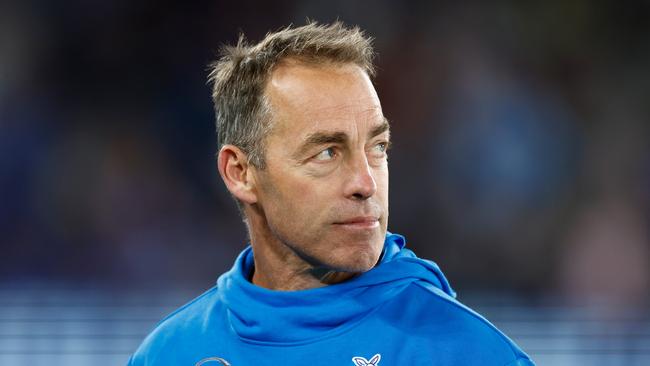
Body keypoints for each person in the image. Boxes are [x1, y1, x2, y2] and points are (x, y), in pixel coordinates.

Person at [128, 21, 535, 366]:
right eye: (327, 153)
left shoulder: (465, 353)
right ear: (241, 173)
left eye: (377, 148)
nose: (365, 183)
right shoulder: (169, 354)